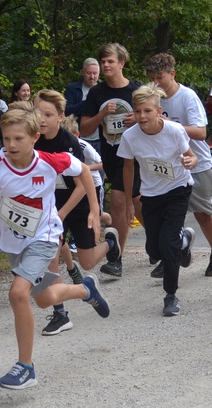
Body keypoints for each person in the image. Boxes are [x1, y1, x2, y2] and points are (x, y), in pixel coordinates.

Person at [0, 108, 108, 389]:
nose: (11, 145)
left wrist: (94, 210)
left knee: (18, 293)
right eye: (6, 139)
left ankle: (25, 367)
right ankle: (86, 289)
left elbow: (82, 170)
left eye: (18, 138)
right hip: (13, 242)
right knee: (43, 300)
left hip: (45, 238)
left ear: (35, 137)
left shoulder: (50, 161)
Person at [32, 90, 120, 335]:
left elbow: (82, 183)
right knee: (51, 259)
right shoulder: (31, 139)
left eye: (48, 114)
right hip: (51, 207)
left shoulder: (69, 143)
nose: (42, 119)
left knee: (88, 261)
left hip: (76, 203)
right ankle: (60, 314)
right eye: (38, 113)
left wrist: (65, 213)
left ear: (60, 117)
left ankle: (110, 244)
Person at [119, 85, 199, 316]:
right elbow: (127, 169)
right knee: (153, 249)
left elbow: (190, 157)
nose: (142, 116)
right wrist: (129, 205)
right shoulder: (130, 136)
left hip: (178, 189)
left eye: (147, 111)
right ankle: (184, 240)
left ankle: (171, 295)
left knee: (167, 243)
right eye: (137, 111)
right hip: (151, 194)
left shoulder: (174, 131)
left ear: (158, 111)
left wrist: (191, 163)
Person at [145, 53, 212, 277]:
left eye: (160, 77)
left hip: (196, 164)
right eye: (152, 78)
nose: (156, 83)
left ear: (172, 74)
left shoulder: (187, 97)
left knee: (202, 215)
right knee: (167, 215)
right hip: (168, 166)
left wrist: (169, 125)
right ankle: (171, 254)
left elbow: (201, 132)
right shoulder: (152, 98)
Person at [80, 43, 142, 277]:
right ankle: (162, 245)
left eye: (110, 61)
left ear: (121, 63)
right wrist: (102, 114)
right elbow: (84, 128)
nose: (105, 65)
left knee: (126, 203)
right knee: (130, 204)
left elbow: (156, 119)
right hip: (112, 156)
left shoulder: (136, 91)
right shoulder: (97, 93)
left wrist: (138, 119)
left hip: (137, 157)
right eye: (103, 61)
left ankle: (118, 258)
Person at [64, 58, 101, 149]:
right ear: (83, 72)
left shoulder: (104, 89)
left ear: (99, 73)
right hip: (79, 137)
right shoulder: (72, 89)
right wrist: (88, 102)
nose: (92, 77)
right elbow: (67, 111)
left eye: (95, 73)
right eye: (89, 73)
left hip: (100, 138)